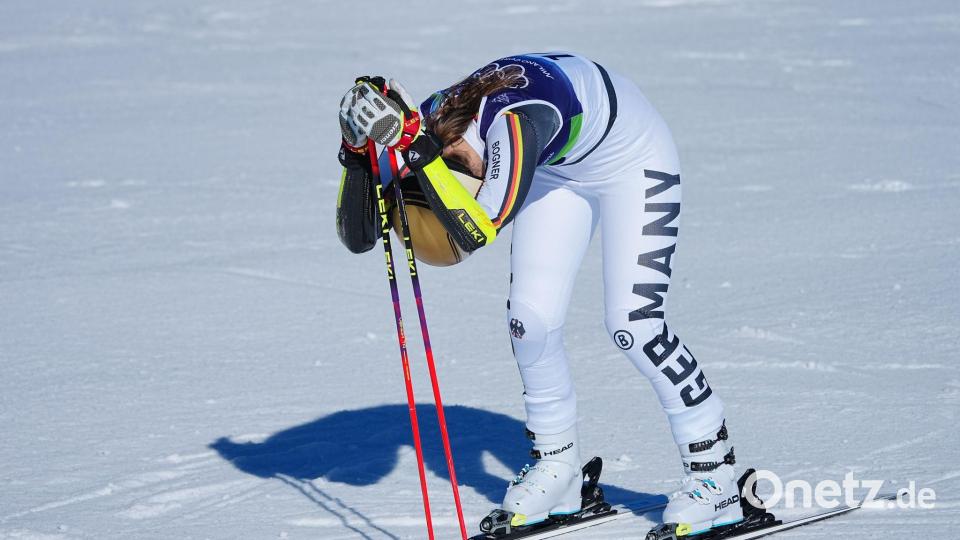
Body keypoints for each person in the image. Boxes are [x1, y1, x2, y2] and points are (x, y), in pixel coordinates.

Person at [335, 53, 743, 536]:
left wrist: (422, 160)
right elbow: (360, 237)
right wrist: (356, 157)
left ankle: (716, 479)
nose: (474, 185)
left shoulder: (517, 126)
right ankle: (558, 471)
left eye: (469, 178)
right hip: (557, 169)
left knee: (635, 324)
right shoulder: (432, 125)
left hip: (633, 160)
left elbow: (473, 231)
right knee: (529, 322)